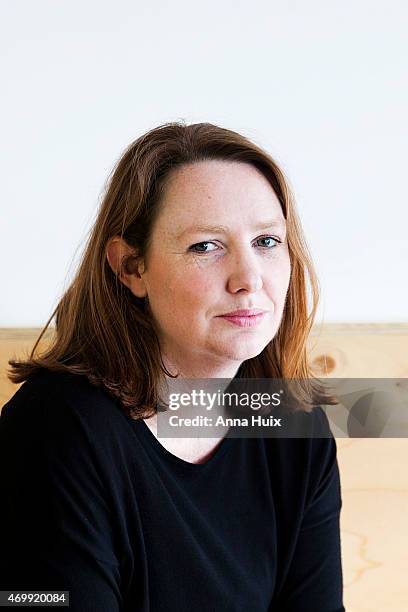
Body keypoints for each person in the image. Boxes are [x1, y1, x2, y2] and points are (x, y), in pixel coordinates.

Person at [0, 122, 345, 611]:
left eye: (267, 241)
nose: (249, 279)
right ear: (131, 268)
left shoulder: (294, 428)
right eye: (206, 246)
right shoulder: (56, 429)